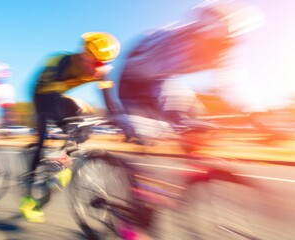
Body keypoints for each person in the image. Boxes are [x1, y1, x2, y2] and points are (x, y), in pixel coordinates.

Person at [111, 0, 265, 142]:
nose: (220, 49)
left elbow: (232, 82)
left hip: (158, 79)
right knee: (150, 133)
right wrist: (174, 116)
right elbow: (154, 74)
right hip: (131, 80)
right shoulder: (176, 38)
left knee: (193, 119)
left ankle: (193, 157)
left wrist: (253, 112)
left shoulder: (223, 47)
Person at [19, 32, 121, 223]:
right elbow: (52, 98)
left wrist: (116, 116)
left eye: (103, 63)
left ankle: (64, 157)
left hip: (58, 94)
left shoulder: (101, 70)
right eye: (95, 61)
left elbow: (107, 96)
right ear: (84, 54)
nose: (99, 67)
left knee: (83, 119)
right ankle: (28, 196)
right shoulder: (62, 61)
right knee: (44, 138)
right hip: (41, 93)